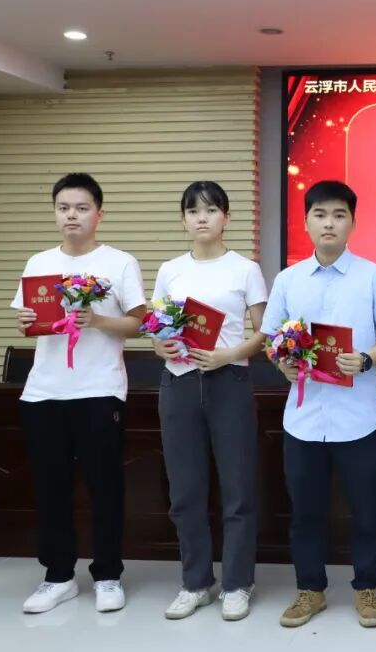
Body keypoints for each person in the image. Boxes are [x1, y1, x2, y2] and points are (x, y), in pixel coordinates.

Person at [261, 180, 376, 629]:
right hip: (303, 418)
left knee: (366, 510)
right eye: (320, 214)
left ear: (352, 223)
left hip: (358, 417)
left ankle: (366, 587)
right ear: (306, 222)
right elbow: (271, 339)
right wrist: (282, 364)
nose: (329, 223)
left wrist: (365, 359)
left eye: (339, 215)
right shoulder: (288, 280)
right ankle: (310, 589)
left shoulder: (374, 276)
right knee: (305, 512)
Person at [12, 173, 146, 614]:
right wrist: (25, 321)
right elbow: (28, 320)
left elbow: (140, 322)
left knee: (104, 486)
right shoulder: (38, 262)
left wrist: (98, 320)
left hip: (99, 389)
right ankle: (58, 576)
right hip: (44, 392)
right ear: (55, 213)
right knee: (50, 488)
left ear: (98, 214)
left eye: (82, 208)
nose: (72, 215)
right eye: (64, 208)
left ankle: (107, 575)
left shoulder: (119, 262)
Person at [151, 181, 268, 621]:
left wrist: (228, 354)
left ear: (226, 217)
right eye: (193, 211)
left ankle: (237, 583)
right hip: (178, 382)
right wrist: (160, 345)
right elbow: (159, 329)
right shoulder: (170, 270)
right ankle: (196, 582)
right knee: (185, 491)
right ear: (183, 220)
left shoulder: (245, 269)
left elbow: (264, 331)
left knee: (237, 489)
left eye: (211, 210)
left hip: (228, 381)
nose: (202, 218)